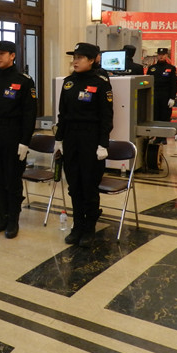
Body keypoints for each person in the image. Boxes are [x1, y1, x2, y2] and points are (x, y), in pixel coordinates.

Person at [0, 40, 37, 239]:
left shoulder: (24, 81)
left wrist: (25, 141)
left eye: (2, 53)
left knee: (12, 180)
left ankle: (13, 220)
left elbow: (29, 114)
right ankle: (2, 217)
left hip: (13, 134)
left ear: (12, 55)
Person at [54, 42, 113, 248]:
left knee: (89, 185)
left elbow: (107, 117)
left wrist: (103, 144)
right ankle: (77, 225)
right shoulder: (68, 82)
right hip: (71, 137)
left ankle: (89, 228)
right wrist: (59, 139)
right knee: (74, 185)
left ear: (92, 60)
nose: (75, 61)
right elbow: (62, 114)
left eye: (80, 58)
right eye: (74, 57)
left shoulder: (101, 83)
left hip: (91, 138)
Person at [147, 47, 177, 144]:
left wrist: (172, 98)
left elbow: (174, 85)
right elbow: (147, 83)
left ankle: (164, 137)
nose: (161, 56)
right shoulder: (152, 68)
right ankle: (157, 136)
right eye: (159, 55)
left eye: (163, 55)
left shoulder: (171, 68)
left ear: (166, 55)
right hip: (154, 96)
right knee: (155, 117)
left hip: (166, 96)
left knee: (165, 117)